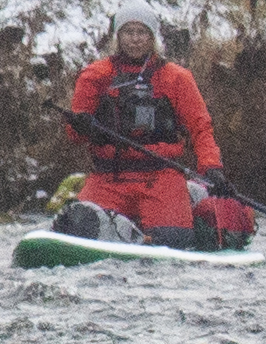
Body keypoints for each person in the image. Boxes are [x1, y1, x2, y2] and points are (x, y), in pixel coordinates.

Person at [63, 16, 248, 246]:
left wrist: (211, 168)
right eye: (128, 32)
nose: (135, 39)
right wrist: (81, 126)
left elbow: (200, 128)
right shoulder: (95, 76)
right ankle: (127, 229)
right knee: (79, 228)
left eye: (142, 32)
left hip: (161, 176)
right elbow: (75, 134)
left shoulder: (177, 78)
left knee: (173, 241)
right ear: (118, 36)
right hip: (109, 177)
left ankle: (189, 198)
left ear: (152, 37)